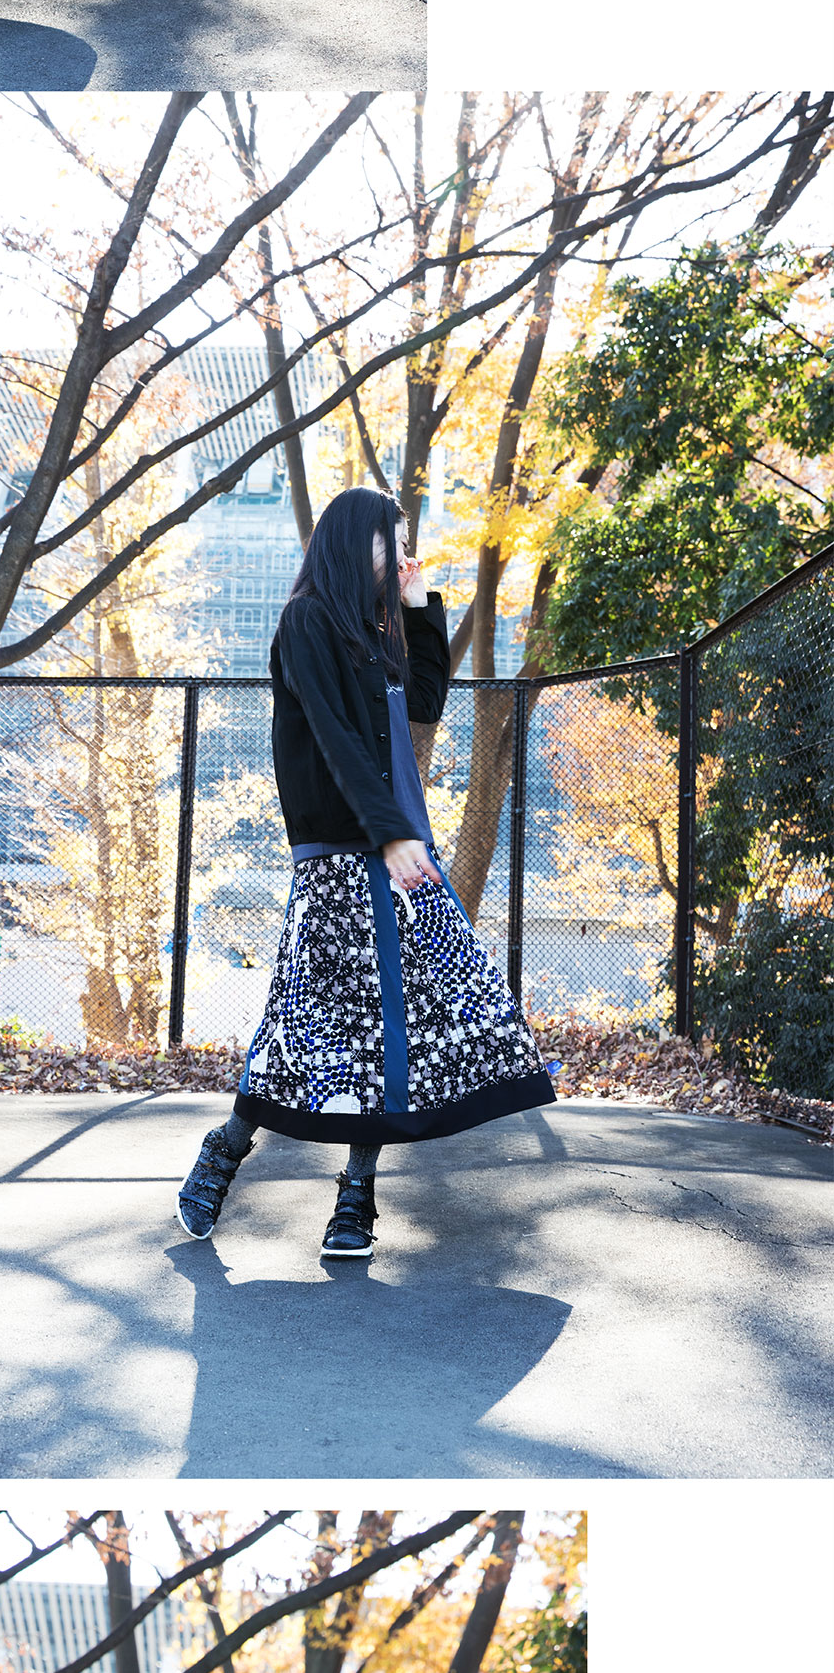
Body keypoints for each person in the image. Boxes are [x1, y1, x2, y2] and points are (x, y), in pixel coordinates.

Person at [177, 484, 554, 1266]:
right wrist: (387, 832)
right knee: (305, 1019)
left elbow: (426, 702)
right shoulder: (306, 622)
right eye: (392, 541)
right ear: (356, 541)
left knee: (398, 1021)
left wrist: (419, 607)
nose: (402, 553)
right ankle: (226, 1148)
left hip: (401, 849)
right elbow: (336, 737)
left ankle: (356, 1193)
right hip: (343, 852)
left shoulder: (374, 631)